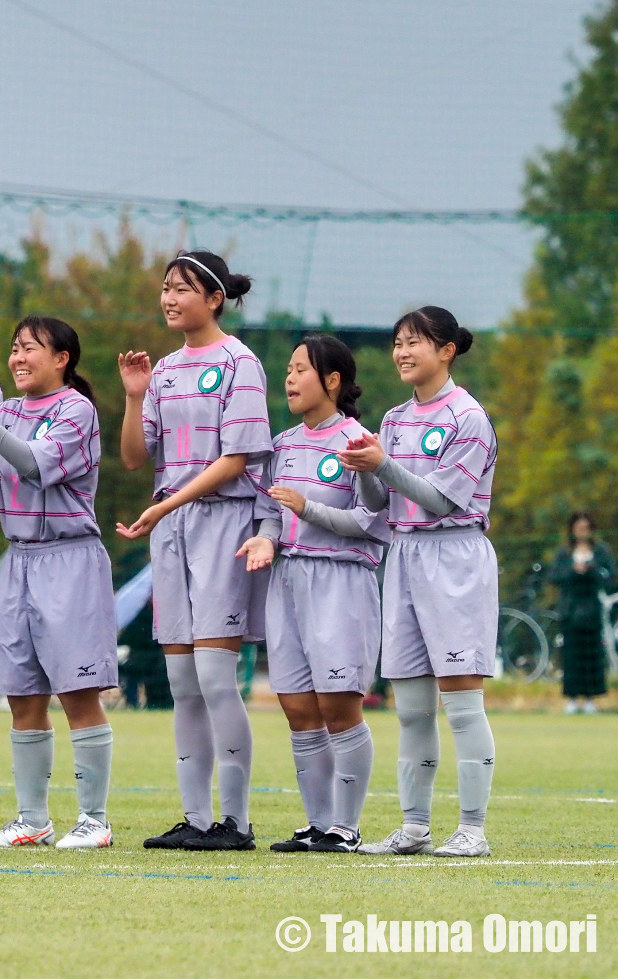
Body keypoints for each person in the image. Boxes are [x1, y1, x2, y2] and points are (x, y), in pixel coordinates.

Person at [117, 250, 272, 852]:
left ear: (214, 298)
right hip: (172, 526)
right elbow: (136, 458)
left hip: (221, 523)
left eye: (183, 288)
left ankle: (236, 822)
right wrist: (135, 397)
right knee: (181, 679)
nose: (170, 297)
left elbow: (236, 460)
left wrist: (166, 505)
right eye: (166, 287)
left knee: (214, 676)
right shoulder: (164, 370)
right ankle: (197, 819)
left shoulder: (240, 363)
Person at [0, 316, 118, 850]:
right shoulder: (6, 413)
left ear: (62, 358)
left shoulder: (76, 410)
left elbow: (37, 465)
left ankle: (94, 820)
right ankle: (33, 820)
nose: (18, 358)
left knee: (78, 692)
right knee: (23, 696)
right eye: (15, 348)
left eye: (30, 349)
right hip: (19, 561)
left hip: (70, 560)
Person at [338, 306, 499, 859]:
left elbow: (442, 500)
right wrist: (364, 468)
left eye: (415, 342)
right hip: (403, 555)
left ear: (447, 350)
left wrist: (381, 464)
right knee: (410, 706)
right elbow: (380, 503)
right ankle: (414, 827)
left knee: (461, 702)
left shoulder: (468, 418)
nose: (402, 352)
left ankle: (472, 829)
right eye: (398, 342)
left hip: (454, 555)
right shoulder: (394, 418)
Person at [239, 336, 390, 854]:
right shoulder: (281, 445)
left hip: (340, 581)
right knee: (299, 708)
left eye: (300, 369)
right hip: (287, 582)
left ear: (333, 381)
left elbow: (369, 522)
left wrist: (307, 510)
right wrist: (266, 538)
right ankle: (318, 824)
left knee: (338, 706)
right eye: (288, 369)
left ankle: (346, 828)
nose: (290, 378)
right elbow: (269, 513)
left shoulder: (359, 443)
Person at [549, 511, 616, 714]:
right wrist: (573, 571)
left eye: (586, 528)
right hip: (570, 610)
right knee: (571, 656)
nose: (582, 532)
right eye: (579, 528)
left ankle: (589, 698)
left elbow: (610, 575)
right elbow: (554, 576)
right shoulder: (564, 552)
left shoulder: (600, 551)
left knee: (592, 655)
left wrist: (592, 569)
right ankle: (571, 698)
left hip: (592, 610)